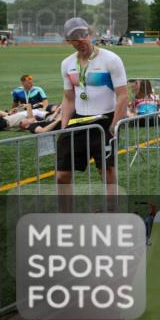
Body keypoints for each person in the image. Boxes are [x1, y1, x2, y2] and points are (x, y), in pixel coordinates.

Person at [58, 17, 129, 196]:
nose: (80, 40)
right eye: (74, 37)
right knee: (62, 175)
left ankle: (112, 213)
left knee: (107, 172)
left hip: (105, 121)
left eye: (83, 34)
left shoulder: (111, 59)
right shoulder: (67, 64)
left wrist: (114, 125)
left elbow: (123, 96)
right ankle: (66, 216)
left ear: (90, 34)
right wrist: (64, 125)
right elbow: (68, 98)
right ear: (69, 41)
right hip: (78, 121)